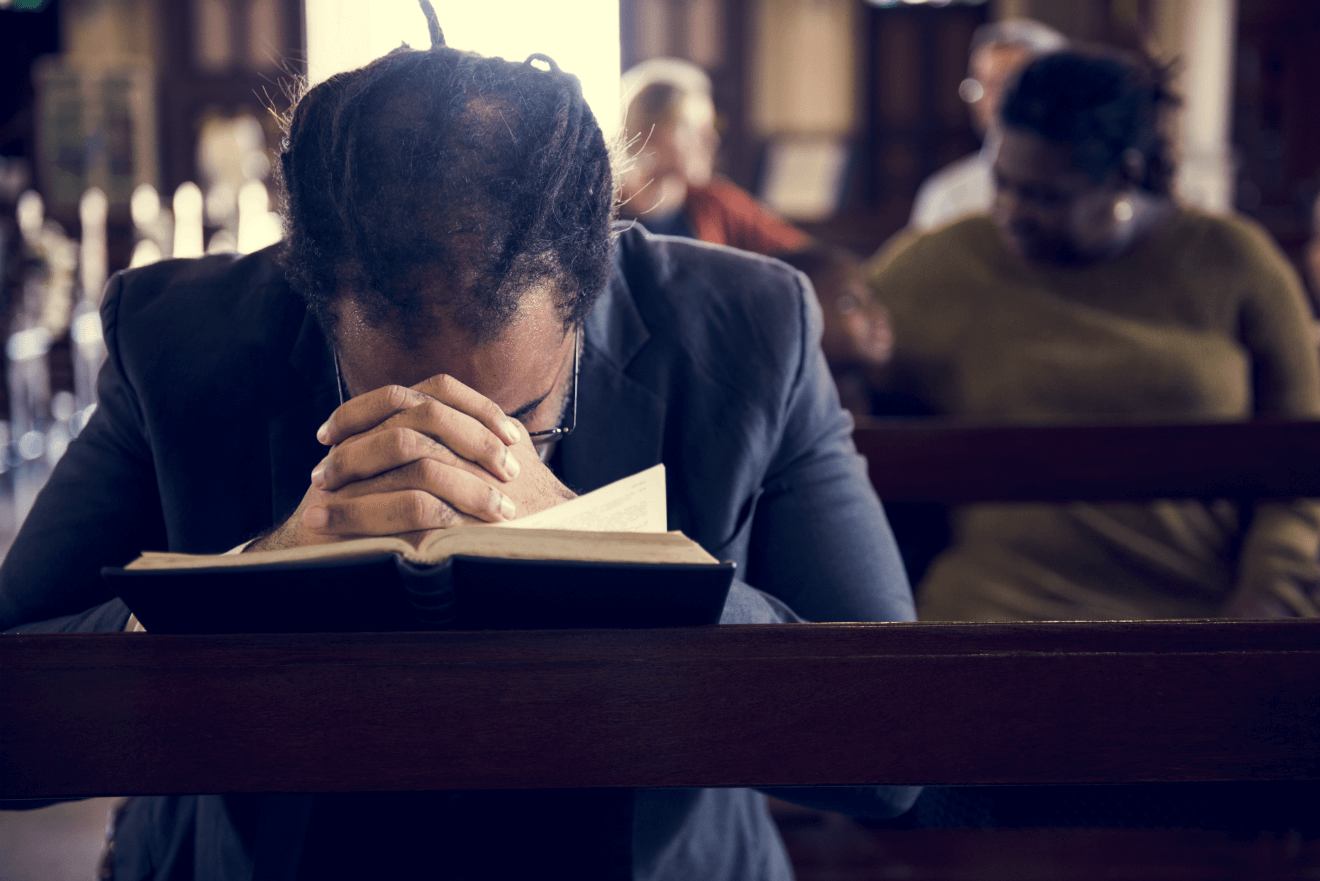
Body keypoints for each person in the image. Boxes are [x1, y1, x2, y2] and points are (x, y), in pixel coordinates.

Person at [0, 6, 918, 879]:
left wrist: (617, 552)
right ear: (309, 286)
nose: (451, 469)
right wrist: (241, 583)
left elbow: (890, 748)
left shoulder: (753, 330)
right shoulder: (177, 338)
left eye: (516, 420)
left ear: (594, 277)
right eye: (389, 414)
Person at [869, 47, 1320, 621]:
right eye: (1001, 183)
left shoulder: (1232, 261)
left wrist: (1270, 592)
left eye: (1044, 196)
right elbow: (838, 359)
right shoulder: (945, 263)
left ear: (1124, 177)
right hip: (992, 613)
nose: (1012, 210)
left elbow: (1304, 459)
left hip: (1204, 612)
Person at [618, 57, 809, 256]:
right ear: (647, 132)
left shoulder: (717, 203)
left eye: (710, 127)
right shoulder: (602, 209)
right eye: (691, 128)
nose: (711, 139)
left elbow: (810, 257)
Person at [908, 18, 1066, 232]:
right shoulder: (948, 195)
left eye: (1007, 84)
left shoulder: (1085, 185)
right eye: (984, 84)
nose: (992, 100)